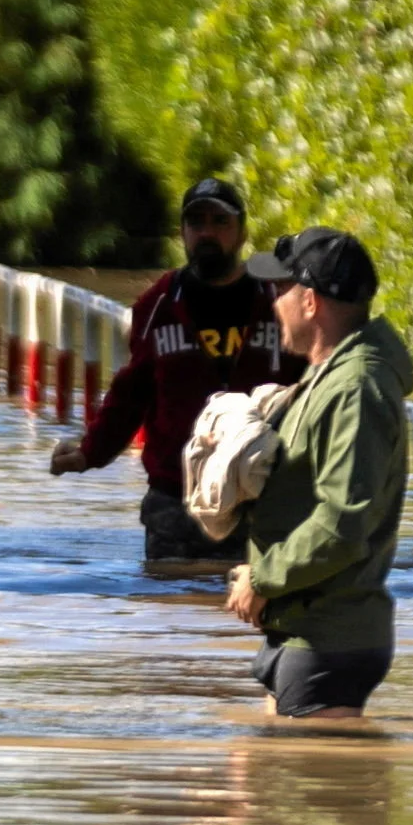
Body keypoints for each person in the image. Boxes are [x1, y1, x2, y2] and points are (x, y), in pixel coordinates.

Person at [222, 228, 413, 721]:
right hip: (304, 630)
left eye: (279, 291)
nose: (273, 304)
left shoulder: (357, 388)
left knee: (317, 794)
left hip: (330, 640)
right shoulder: (330, 376)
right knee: (265, 782)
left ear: (309, 301)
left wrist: (263, 579)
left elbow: (341, 524)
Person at [49, 175, 296, 564]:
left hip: (259, 495)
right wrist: (89, 453)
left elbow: (310, 384)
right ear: (182, 232)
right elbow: (131, 392)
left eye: (220, 222)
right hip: (174, 500)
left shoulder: (276, 301)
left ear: (242, 232)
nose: (207, 233)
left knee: (252, 614)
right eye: (197, 223)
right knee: (169, 611)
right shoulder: (159, 304)